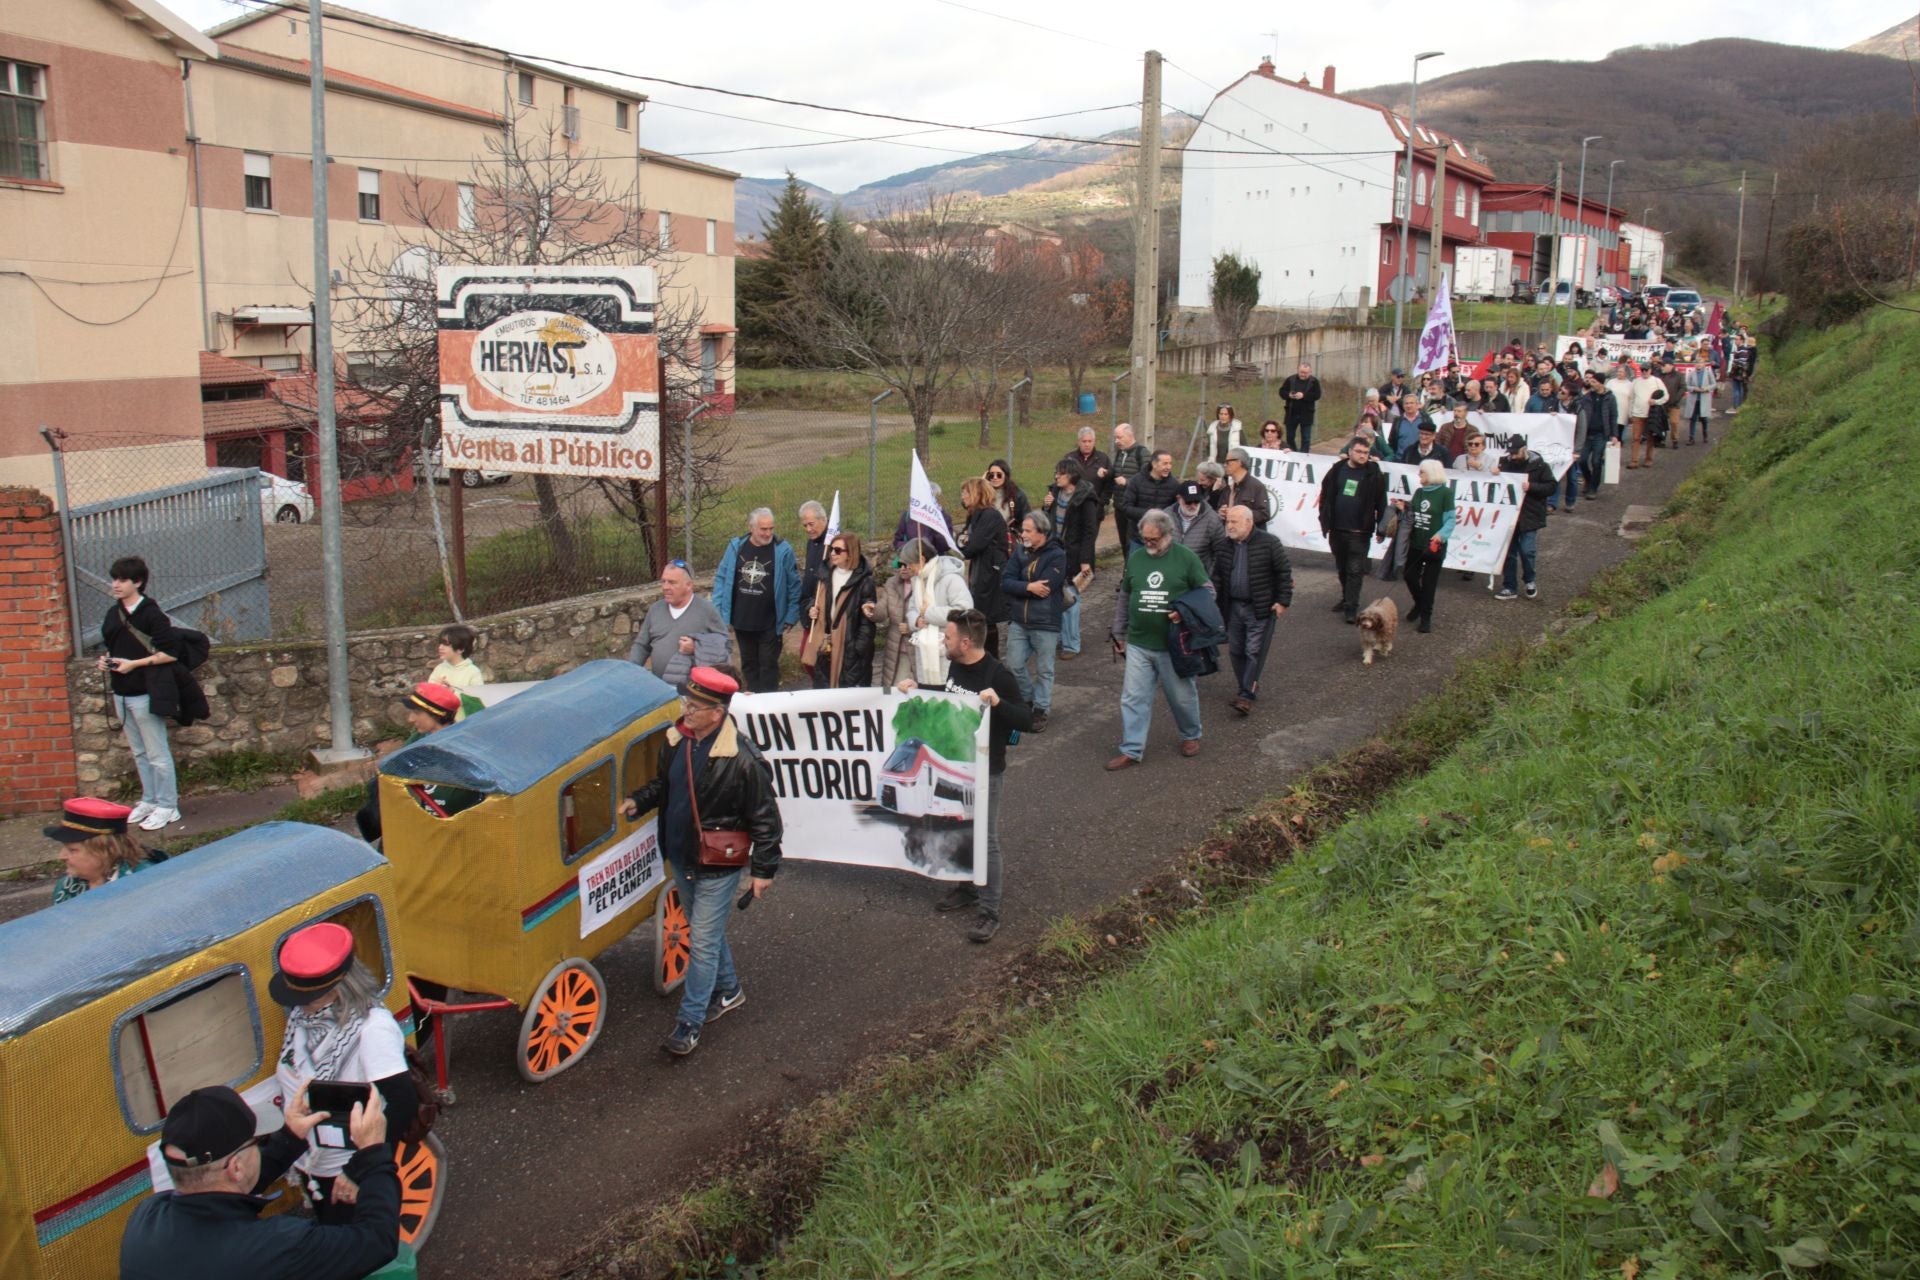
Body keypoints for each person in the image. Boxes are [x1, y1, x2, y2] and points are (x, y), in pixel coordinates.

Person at [622, 665, 782, 1055]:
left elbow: (766, 818)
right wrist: (639, 800)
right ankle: (730, 991)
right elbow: (666, 784)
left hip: (717, 865)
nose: (686, 711)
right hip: (680, 856)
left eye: (694, 706)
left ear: (718, 712)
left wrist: (763, 870)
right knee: (705, 934)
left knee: (704, 942)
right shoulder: (677, 740)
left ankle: (689, 1023)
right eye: (686, 702)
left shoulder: (744, 760)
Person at [119, 1081, 399, 1280]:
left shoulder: (144, 1219)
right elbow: (377, 1242)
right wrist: (373, 1152)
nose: (261, 1145)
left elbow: (223, 1194)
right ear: (236, 1167)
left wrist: (289, 1139)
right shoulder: (280, 1245)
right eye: (258, 1141)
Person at [268, 922, 418, 1224]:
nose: (298, 1006)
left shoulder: (372, 1029)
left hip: (346, 1169)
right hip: (312, 1164)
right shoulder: (304, 1016)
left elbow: (402, 1104)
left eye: (306, 998)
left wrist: (360, 1171)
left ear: (337, 989)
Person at [896, 609, 1031, 942]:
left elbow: (1028, 721)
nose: (944, 640)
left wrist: (998, 704)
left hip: (987, 771)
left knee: (986, 839)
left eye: (949, 637)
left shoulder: (998, 675)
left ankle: (990, 911)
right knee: (961, 827)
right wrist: (918, 688)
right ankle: (967, 887)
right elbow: (949, 693)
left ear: (966, 642)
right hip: (957, 767)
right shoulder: (957, 664)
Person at [1105, 510, 1210, 770]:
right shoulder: (1137, 558)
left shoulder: (1186, 558)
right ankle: (1132, 748)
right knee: (1133, 697)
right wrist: (1118, 633)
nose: (1148, 544)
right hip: (1140, 642)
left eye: (1153, 539)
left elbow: (1207, 592)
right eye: (1145, 538)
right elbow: (1125, 597)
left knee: (1182, 696)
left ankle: (1190, 735)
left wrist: (1184, 613)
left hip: (1173, 645)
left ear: (1167, 535)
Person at [97, 556, 182, 831]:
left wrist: (134, 664)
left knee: (157, 752)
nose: (116, 584)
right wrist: (106, 660)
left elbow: (170, 653)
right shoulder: (114, 613)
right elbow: (114, 644)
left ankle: (168, 806)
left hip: (145, 691)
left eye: (122, 579)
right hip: (120, 692)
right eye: (114, 579)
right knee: (139, 752)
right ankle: (150, 800)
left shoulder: (151, 614)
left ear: (138, 582)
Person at [353, 682, 479, 841]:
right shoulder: (419, 737)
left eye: (417, 713)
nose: (410, 718)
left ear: (436, 714)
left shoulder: (459, 748)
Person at [1211, 505, 1291, 716]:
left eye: (1235, 521)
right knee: (1236, 650)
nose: (1230, 525)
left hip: (1259, 608)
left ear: (1249, 522)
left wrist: (1282, 601)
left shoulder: (1269, 543)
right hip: (1233, 607)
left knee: (1253, 651)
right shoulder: (1223, 545)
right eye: (1228, 521)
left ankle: (1246, 695)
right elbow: (1217, 577)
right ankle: (1247, 686)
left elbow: (1283, 572)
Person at [712, 508, 802, 694]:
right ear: (751, 528)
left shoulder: (783, 550)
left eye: (771, 528)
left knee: (768, 665)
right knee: (749, 665)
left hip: (770, 622)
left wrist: (791, 615)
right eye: (763, 529)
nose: (768, 533)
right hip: (742, 620)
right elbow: (722, 578)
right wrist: (718, 609)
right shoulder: (736, 547)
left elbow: (794, 585)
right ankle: (753, 703)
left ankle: (769, 706)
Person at [1001, 511, 1065, 734]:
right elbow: (1006, 581)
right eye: (1023, 530)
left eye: (1028, 531)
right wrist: (1028, 586)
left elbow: (1046, 588)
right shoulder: (1019, 551)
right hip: (1019, 620)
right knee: (1014, 664)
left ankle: (1041, 709)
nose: (1023, 535)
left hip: (1046, 622)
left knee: (1045, 670)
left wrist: (1020, 585)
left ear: (1042, 532)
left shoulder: (1057, 555)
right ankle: (1027, 699)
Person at [1318, 437, 1389, 624]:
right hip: (1337, 528)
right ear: (1350, 451)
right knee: (1342, 567)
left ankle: (1352, 607)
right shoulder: (1337, 470)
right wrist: (1324, 517)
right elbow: (1325, 494)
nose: (1363, 456)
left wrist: (1382, 527)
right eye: (1359, 452)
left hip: (1360, 531)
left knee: (1355, 569)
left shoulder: (1374, 473)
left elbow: (1381, 501)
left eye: (1366, 453)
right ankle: (1346, 597)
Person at [629, 560, 731, 688]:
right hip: (660, 688)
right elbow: (641, 645)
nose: (665, 587)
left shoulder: (706, 610)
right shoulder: (656, 609)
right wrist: (630, 670)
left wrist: (697, 648)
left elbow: (725, 646)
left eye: (672, 582)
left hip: (692, 692)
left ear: (688, 585)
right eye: (663, 581)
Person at [45, 796, 153, 903]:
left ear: (106, 851)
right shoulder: (66, 887)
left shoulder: (142, 887)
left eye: (72, 850)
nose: (61, 856)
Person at [805, 533, 877, 689]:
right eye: (831, 549)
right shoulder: (825, 575)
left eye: (838, 550)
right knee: (823, 692)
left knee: (848, 695)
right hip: (826, 644)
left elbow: (868, 621)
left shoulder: (865, 582)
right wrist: (811, 609)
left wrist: (858, 649)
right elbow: (815, 600)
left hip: (850, 648)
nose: (832, 553)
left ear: (850, 553)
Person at [898, 537, 973, 684]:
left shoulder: (951, 578)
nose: (907, 567)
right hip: (925, 649)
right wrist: (916, 621)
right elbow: (912, 608)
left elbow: (964, 610)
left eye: (909, 563)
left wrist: (928, 615)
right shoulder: (918, 580)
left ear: (921, 559)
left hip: (948, 649)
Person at [1495, 434, 1556, 601]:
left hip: (1530, 513)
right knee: (1509, 552)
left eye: (1515, 453)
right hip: (1509, 515)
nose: (1512, 456)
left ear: (1524, 449)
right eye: (1511, 453)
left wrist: (1532, 487)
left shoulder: (1540, 465)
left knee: (1527, 550)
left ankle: (1530, 580)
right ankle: (1509, 586)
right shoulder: (1505, 463)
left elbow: (1551, 486)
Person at [1049, 460, 1100, 659]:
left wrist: (1085, 560)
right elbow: (1051, 521)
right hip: (1056, 553)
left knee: (1070, 599)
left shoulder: (1085, 498)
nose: (1056, 476)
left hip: (1075, 555)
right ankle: (1062, 638)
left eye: (1060, 473)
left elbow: (1089, 531)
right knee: (1057, 597)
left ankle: (1071, 645)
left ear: (1071, 475)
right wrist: (1047, 506)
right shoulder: (1055, 493)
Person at [955, 477, 1009, 656]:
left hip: (991, 575)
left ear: (977, 494)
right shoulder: (973, 516)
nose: (963, 496)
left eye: (966, 492)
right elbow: (961, 541)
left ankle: (991, 659)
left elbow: (972, 546)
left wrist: (965, 542)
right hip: (980, 572)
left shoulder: (989, 516)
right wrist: (964, 542)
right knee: (980, 617)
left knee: (987, 617)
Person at [1401, 459, 1456, 634]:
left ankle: (1426, 618)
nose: (1419, 475)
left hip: (1434, 546)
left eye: (1422, 472)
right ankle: (1419, 603)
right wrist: (1403, 507)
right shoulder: (1419, 492)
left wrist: (1441, 535)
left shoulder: (1445, 493)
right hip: (1416, 543)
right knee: (1409, 575)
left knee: (1429, 583)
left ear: (1431, 474)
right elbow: (1414, 511)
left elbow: (1451, 519)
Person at [870, 554, 919, 690]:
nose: (902, 568)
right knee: (893, 691)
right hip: (896, 649)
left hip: (919, 651)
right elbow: (882, 610)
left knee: (920, 694)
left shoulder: (925, 584)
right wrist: (872, 611)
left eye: (906, 565)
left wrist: (912, 627)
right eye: (900, 565)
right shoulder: (891, 583)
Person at [1119, 449, 1179, 551]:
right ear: (1154, 464)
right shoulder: (1136, 481)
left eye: (1170, 463)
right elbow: (1126, 507)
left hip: (1162, 539)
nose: (1168, 467)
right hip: (1138, 538)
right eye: (1165, 464)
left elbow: (1177, 510)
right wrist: (1149, 514)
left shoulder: (1174, 485)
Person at [795, 500, 831, 670]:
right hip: (810, 608)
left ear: (823, 519)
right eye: (805, 526)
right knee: (807, 657)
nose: (808, 529)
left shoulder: (834, 543)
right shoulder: (811, 542)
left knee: (818, 659)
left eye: (811, 524)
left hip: (824, 611)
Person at [1169, 478, 1228, 573]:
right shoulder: (1165, 517)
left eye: (1196, 501)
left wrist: (1209, 574)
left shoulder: (1212, 519)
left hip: (1199, 577)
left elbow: (1221, 552)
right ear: (1179, 498)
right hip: (1170, 574)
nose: (1193, 506)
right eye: (1188, 502)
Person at [1107, 423, 1150, 551]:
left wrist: (1127, 482)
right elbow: (1115, 472)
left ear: (1130, 435)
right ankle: (1126, 569)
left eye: (1119, 437)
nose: (1116, 441)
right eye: (1115, 438)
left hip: (1134, 507)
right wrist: (1107, 473)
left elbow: (1147, 477)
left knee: (1133, 542)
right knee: (1123, 543)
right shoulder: (1120, 453)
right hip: (1120, 505)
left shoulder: (1142, 453)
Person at [427, 624, 483, 719]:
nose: (440, 647)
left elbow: (476, 702)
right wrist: (439, 689)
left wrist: (452, 693)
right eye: (440, 643)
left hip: (462, 724)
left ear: (460, 649)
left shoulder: (473, 672)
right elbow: (428, 693)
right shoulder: (439, 669)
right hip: (441, 724)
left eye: (446, 644)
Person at [1059, 427, 1114, 521]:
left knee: (1090, 535)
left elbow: (1109, 483)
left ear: (1094, 441)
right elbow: (1060, 479)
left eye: (1090, 441)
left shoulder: (1103, 459)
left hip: (1094, 508)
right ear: (1079, 442)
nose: (1087, 444)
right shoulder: (1069, 458)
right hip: (1072, 507)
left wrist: (1101, 503)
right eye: (1084, 441)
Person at [1580, 370, 1618, 498]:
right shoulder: (1586, 397)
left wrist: (1614, 434)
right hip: (1586, 434)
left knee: (1596, 461)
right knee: (1582, 460)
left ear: (1601, 383)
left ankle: (1593, 488)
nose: (1591, 384)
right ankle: (1589, 480)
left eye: (1594, 382)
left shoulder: (1610, 397)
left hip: (1601, 434)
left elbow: (1613, 416)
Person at [890, 484, 955, 556]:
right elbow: (897, 541)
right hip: (911, 562)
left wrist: (936, 525)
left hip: (934, 562)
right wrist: (913, 548)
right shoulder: (908, 516)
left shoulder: (944, 518)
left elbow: (945, 546)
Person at [984, 458, 1030, 558]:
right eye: (991, 475)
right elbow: (967, 503)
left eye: (999, 474)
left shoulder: (1017, 494)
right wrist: (981, 483)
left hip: (1008, 540)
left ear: (1006, 476)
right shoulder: (984, 492)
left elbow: (1027, 517)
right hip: (987, 538)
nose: (995, 478)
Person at [1626, 363, 1669, 469]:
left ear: (1650, 370)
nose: (1644, 372)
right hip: (1637, 414)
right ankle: (1634, 460)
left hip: (1651, 414)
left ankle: (1648, 459)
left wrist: (1656, 401)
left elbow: (1666, 395)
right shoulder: (1635, 382)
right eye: (1642, 370)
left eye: (1646, 370)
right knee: (1636, 438)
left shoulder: (1656, 381)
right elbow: (1631, 398)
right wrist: (1630, 413)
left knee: (1650, 437)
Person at [1216, 448, 1272, 526]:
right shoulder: (1228, 489)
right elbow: (1219, 509)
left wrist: (1239, 515)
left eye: (1228, 462)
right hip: (1230, 535)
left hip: (1250, 536)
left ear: (1239, 462)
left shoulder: (1256, 486)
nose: (1225, 465)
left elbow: (1264, 514)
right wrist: (1221, 512)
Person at [1279, 362, 1322, 452]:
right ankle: (1293, 453)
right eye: (1301, 372)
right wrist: (1289, 395)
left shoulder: (1314, 382)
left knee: (1306, 438)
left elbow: (1317, 395)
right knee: (1290, 437)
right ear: (1298, 371)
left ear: (1310, 372)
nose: (1303, 374)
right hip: (1291, 413)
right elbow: (1282, 392)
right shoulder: (1290, 380)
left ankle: (1304, 456)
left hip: (1306, 414)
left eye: (1305, 373)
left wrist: (1304, 395)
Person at [1681, 357, 1718, 445]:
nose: (1698, 365)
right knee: (1693, 418)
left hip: (1704, 398)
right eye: (1697, 363)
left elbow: (1714, 384)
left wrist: (1706, 388)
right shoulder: (1691, 374)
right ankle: (1691, 438)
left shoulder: (1708, 373)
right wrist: (1694, 389)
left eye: (1700, 363)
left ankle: (1705, 435)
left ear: (1704, 364)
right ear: (1694, 365)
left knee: (1704, 418)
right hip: (1694, 399)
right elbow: (1687, 386)